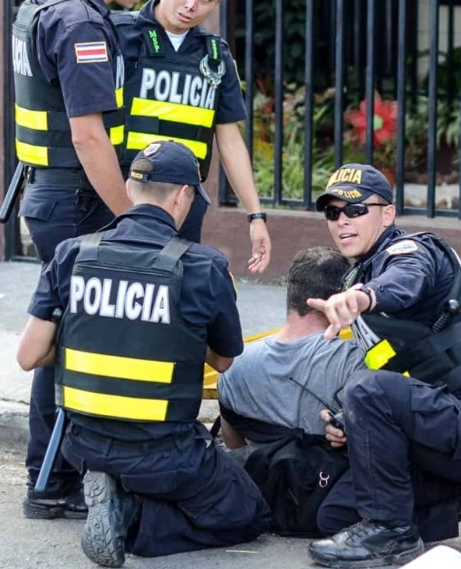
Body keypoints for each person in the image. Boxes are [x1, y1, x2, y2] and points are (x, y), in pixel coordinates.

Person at [15, 139, 271, 567]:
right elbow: (224, 361)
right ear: (184, 195)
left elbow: (28, 356)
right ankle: (129, 514)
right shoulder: (202, 267)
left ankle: (115, 492)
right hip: (165, 452)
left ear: (131, 190)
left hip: (84, 445)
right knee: (248, 514)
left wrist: (102, 334)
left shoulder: (72, 253)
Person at [10, 0, 187, 521]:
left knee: (68, 335)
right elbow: (89, 139)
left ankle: (54, 475)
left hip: (50, 191)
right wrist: (132, 219)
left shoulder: (45, 0)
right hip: (77, 198)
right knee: (72, 340)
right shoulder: (83, 22)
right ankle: (51, 478)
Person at [301, 163, 461, 567]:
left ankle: (394, 534)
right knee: (334, 513)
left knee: (365, 388)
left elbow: (405, 282)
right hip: (436, 430)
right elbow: (402, 379)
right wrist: (347, 420)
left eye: (356, 210)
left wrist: (362, 298)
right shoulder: (363, 270)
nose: (342, 221)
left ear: (387, 214)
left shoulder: (414, 252)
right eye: (333, 212)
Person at [110, 0, 271, 271]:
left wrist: (255, 215)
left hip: (184, 202)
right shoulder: (119, 34)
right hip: (125, 195)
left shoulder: (215, 54)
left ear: (218, 1)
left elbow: (229, 140)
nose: (192, 4)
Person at [217, 246, 363, 450]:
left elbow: (234, 444)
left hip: (255, 478)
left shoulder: (233, 366)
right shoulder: (356, 364)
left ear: (292, 292)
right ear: (339, 299)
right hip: (327, 479)